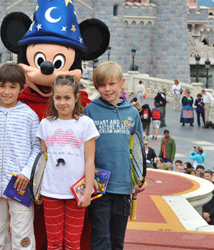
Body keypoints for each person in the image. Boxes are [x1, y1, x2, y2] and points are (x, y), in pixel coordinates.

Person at [0, 63, 41, 249]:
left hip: (20, 185)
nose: (7, 92)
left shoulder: (29, 115)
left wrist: (26, 173)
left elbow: (37, 149)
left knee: (23, 237)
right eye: (3, 86)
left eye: (12, 87)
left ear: (22, 88)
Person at [83, 61, 144, 250]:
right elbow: (83, 150)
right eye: (102, 85)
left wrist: (139, 178)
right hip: (99, 186)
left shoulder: (133, 113)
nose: (107, 89)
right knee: (101, 239)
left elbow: (138, 151)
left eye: (112, 84)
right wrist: (88, 177)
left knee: (117, 242)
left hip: (124, 186)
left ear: (122, 83)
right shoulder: (90, 110)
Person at [37, 74, 98, 249]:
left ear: (76, 98)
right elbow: (43, 158)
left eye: (67, 98)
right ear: (52, 98)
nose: (62, 102)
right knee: (54, 243)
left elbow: (89, 160)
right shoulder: (46, 124)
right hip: (51, 192)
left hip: (76, 194)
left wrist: (87, 192)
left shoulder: (86, 124)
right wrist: (38, 188)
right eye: (58, 98)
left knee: (72, 243)